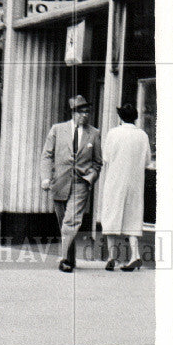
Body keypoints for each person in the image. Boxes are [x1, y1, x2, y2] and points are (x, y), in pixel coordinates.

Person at [40, 95, 103, 272]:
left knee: (71, 221)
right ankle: (71, 258)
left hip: (81, 184)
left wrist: (91, 177)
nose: (85, 115)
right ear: (73, 113)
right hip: (59, 182)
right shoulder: (57, 129)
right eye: (82, 112)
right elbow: (47, 155)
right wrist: (45, 178)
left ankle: (64, 259)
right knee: (64, 224)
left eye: (87, 112)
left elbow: (98, 161)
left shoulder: (94, 133)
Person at [101, 102, 152, 272]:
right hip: (135, 182)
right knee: (132, 216)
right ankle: (135, 256)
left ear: (120, 117)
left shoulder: (113, 133)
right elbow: (147, 161)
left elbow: (106, 157)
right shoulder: (142, 136)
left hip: (115, 179)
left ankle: (111, 257)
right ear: (135, 118)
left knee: (111, 214)